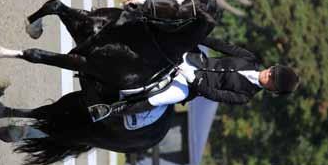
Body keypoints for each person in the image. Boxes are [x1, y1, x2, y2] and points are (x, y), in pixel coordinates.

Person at [114, 36, 300, 114]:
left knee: (160, 98)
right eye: (273, 70)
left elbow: (213, 94)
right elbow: (222, 46)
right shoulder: (249, 58)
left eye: (273, 79)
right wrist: (196, 36)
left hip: (190, 85)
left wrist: (192, 79)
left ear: (273, 89)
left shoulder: (245, 96)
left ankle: (114, 111)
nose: (269, 74)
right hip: (195, 59)